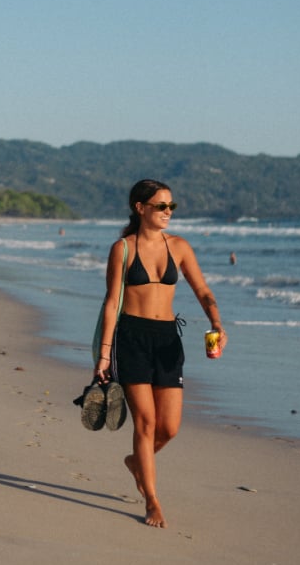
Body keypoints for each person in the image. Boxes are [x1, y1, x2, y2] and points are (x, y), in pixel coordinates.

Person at [95, 179, 227, 528]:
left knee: (169, 427)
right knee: (146, 423)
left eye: (172, 206)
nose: (168, 212)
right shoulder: (122, 249)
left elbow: (202, 289)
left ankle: (137, 461)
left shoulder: (179, 247)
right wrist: (104, 357)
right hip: (132, 338)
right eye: (161, 206)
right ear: (141, 208)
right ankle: (152, 501)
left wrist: (216, 323)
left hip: (168, 339)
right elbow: (111, 304)